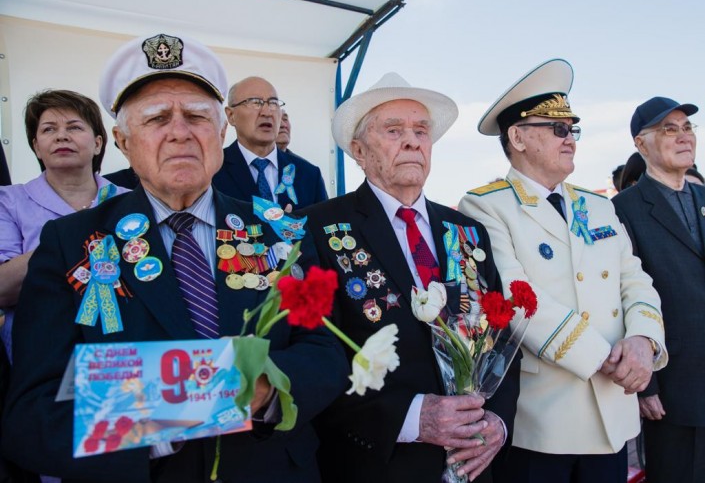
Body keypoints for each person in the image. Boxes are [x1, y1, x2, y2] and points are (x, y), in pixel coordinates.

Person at [2, 33, 348, 482]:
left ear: (220, 134)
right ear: (123, 142)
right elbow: (31, 411)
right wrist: (180, 410)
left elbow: (326, 351)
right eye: (157, 118)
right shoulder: (69, 242)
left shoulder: (283, 231)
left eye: (197, 116)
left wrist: (267, 387)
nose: (180, 132)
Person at [303, 73, 520, 483]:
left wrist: (498, 421)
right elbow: (314, 357)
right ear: (358, 151)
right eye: (393, 130)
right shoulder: (317, 228)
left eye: (421, 131)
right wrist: (410, 417)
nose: (412, 141)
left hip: (473, 461)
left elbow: (502, 334)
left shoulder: (466, 229)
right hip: (380, 465)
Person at [458, 59, 667, 483]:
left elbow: (635, 280)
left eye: (573, 128)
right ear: (517, 137)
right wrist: (606, 358)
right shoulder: (485, 206)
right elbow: (516, 297)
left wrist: (644, 341)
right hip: (543, 421)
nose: (570, 138)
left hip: (612, 412)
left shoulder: (598, 205)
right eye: (557, 128)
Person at [612, 96, 704, 483]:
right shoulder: (623, 209)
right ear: (641, 143)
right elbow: (620, 296)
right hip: (673, 389)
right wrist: (646, 384)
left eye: (687, 127)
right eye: (669, 129)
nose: (684, 136)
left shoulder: (702, 197)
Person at [0, 90, 128, 362]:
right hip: (40, 357)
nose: (61, 136)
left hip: (124, 355)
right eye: (49, 129)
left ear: (97, 143)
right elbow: (3, 289)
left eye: (74, 127)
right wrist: (74, 241)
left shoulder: (131, 202)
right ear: (36, 147)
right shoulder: (9, 201)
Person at [213, 77, 328, 210]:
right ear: (231, 115)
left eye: (273, 103)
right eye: (255, 102)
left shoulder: (309, 175)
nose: (267, 112)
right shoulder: (213, 170)